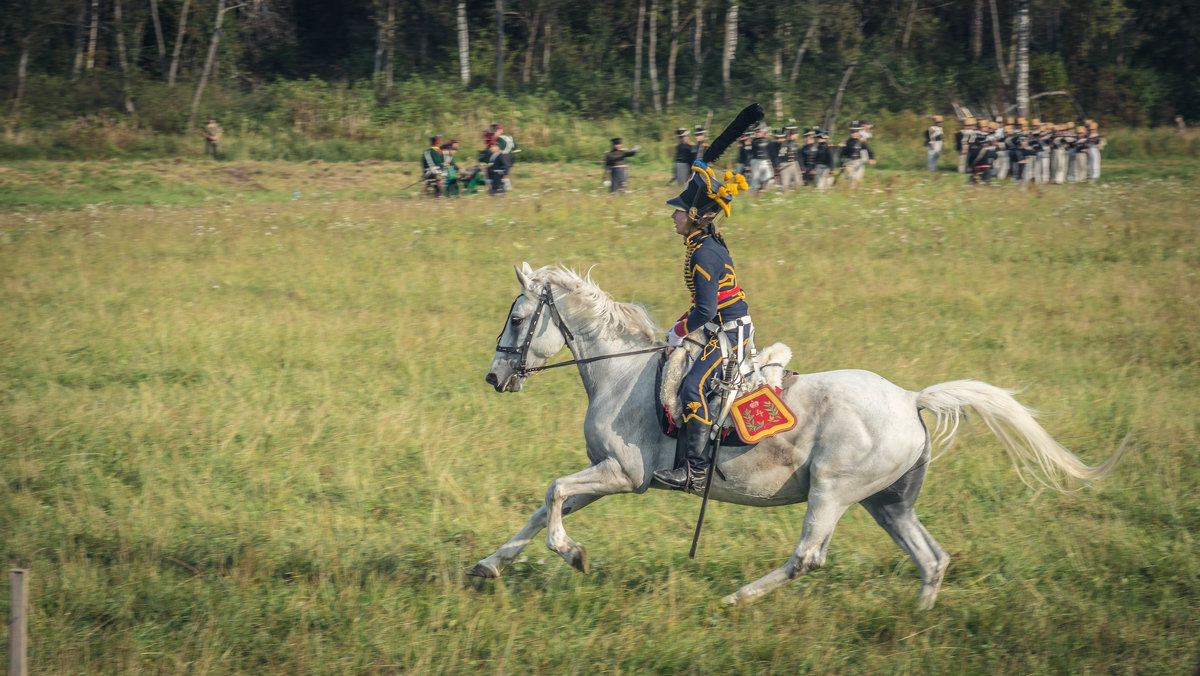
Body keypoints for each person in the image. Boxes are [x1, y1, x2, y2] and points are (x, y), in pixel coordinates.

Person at [652, 103, 763, 494]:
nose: (673, 217)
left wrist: (677, 332)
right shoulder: (704, 241)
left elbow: (705, 308)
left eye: (679, 212)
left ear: (696, 215)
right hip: (722, 325)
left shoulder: (703, 251)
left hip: (731, 332)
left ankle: (695, 471)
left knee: (692, 388)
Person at [839, 125, 875, 190]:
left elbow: (869, 151)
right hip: (849, 163)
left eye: (856, 132)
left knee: (857, 179)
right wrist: (841, 164)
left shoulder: (862, 142)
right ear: (851, 133)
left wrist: (871, 158)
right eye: (853, 132)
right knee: (852, 178)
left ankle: (854, 194)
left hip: (859, 162)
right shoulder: (846, 142)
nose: (854, 134)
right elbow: (842, 154)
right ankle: (851, 194)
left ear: (858, 133)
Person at [748, 124, 774, 193]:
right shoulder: (752, 141)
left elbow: (772, 153)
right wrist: (748, 164)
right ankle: (752, 193)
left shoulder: (769, 141)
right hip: (756, 161)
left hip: (766, 161)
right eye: (756, 131)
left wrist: (774, 164)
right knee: (755, 179)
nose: (756, 133)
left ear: (763, 131)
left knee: (768, 179)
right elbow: (750, 153)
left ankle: (765, 192)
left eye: (758, 131)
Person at [775, 125, 802, 191]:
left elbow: (797, 155)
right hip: (785, 165)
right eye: (795, 134)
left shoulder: (795, 143)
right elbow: (778, 155)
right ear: (790, 134)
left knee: (798, 183)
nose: (797, 135)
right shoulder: (782, 143)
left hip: (794, 164)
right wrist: (777, 166)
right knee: (785, 185)